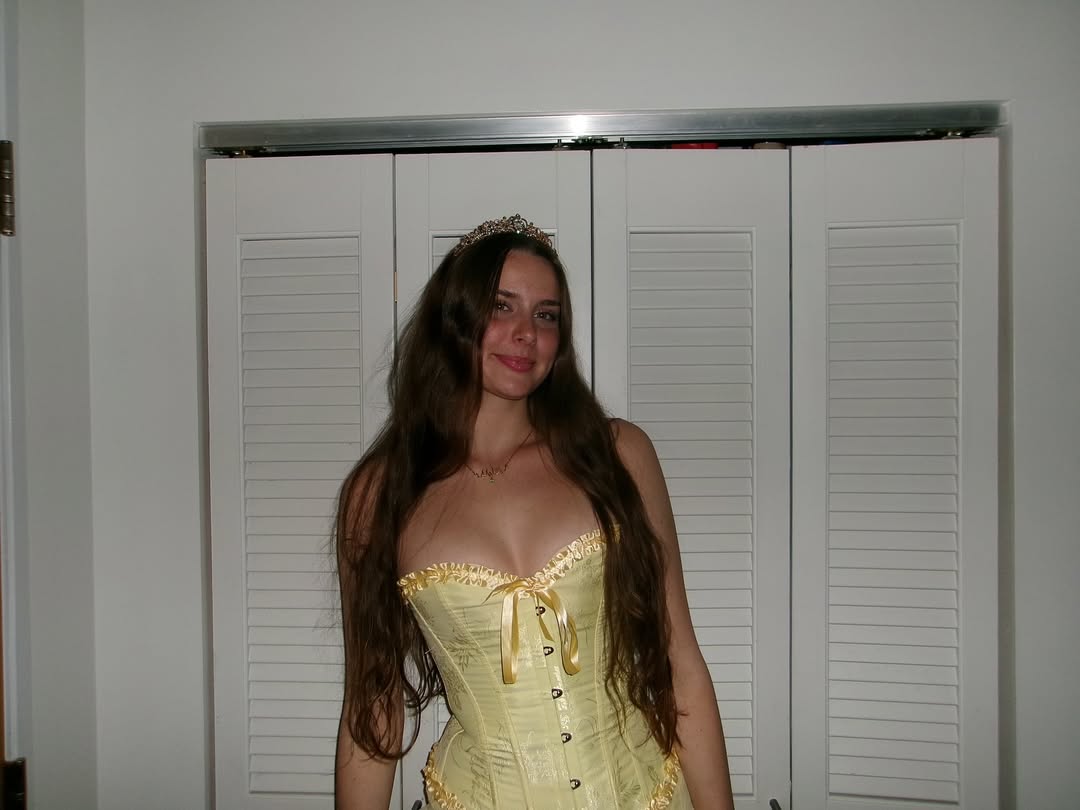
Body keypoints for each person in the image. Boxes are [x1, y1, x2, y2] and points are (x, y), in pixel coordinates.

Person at [334, 214, 735, 809]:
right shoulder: (379, 494)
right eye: (502, 306)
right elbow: (373, 704)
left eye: (546, 315)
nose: (526, 334)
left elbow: (683, 666)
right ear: (453, 319)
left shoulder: (619, 454)